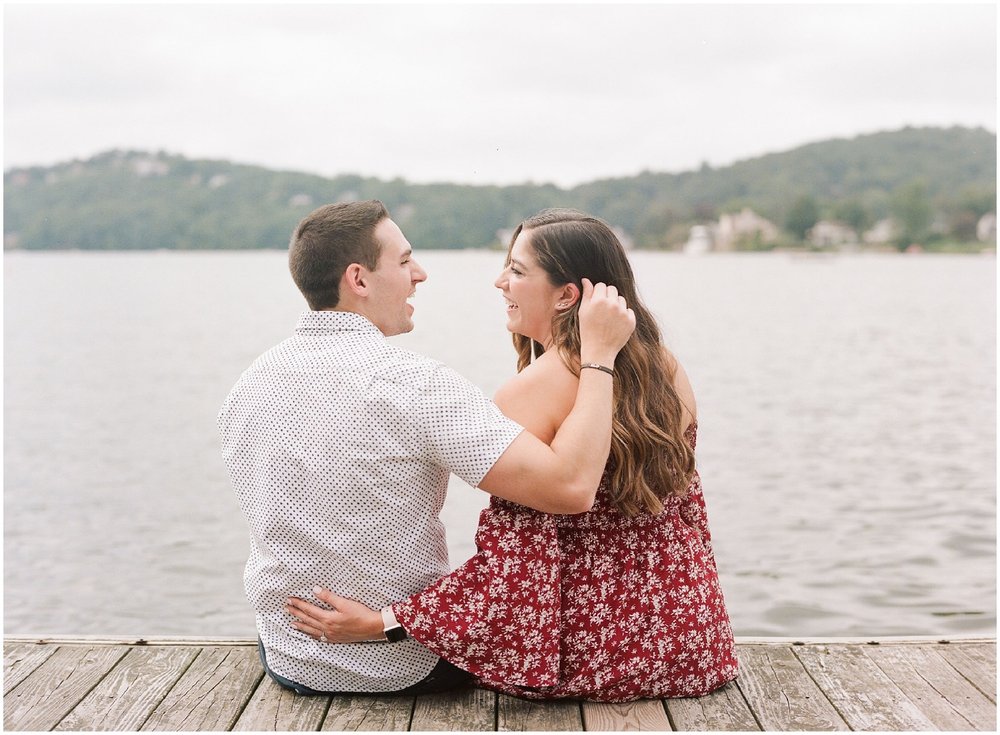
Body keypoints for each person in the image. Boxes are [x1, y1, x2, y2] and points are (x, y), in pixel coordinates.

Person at [287, 208, 739, 702]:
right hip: (694, 646)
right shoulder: (666, 369)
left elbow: (511, 576)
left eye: (518, 271)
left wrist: (385, 623)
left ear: (568, 295)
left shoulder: (529, 394)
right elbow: (687, 524)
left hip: (596, 659)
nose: (500, 281)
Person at [218, 200, 635, 696]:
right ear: (359, 279)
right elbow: (568, 488)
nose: (420, 274)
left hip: (289, 656)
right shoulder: (417, 387)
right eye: (403, 261)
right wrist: (600, 357)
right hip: (401, 662)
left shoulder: (248, 385)